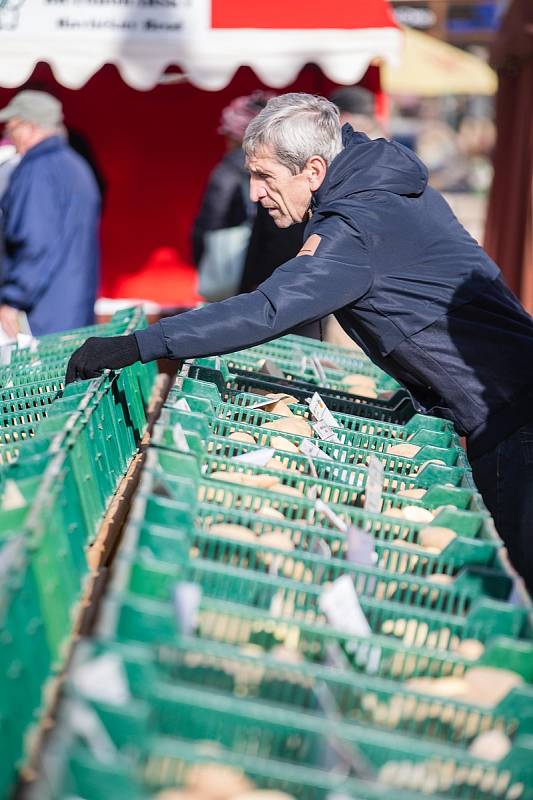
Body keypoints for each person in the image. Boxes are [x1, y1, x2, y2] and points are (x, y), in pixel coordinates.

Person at [66, 92, 533, 593]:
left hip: (511, 418)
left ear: (313, 170)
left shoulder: (356, 224)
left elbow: (267, 309)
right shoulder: (376, 185)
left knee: (513, 591)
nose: (254, 193)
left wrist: (138, 345)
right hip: (503, 400)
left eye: (265, 176)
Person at [0, 90, 100, 337]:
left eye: (11, 128)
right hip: (72, 304)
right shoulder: (76, 165)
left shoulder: (37, 171)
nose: (10, 137)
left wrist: (13, 300)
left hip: (43, 311)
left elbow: (34, 242)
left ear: (30, 126)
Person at [191, 90, 272, 267]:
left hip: (238, 268)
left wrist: (203, 261)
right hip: (280, 264)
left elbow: (210, 220)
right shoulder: (290, 165)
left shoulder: (229, 169)